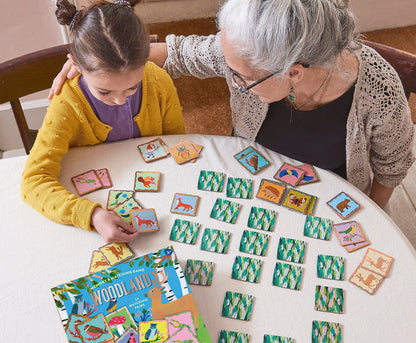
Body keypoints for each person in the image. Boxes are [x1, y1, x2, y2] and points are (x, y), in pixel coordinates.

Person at [50, 0, 414, 208]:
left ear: (293, 74)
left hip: (331, 196)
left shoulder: (379, 90)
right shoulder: (243, 56)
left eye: (240, 76)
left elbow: (392, 167)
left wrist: (373, 213)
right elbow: (179, 54)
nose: (232, 80)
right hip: (253, 179)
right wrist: (97, 61)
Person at [22, 0, 185, 243]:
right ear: (74, 65)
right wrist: (93, 215)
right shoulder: (67, 103)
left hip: (155, 198)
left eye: (132, 87)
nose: (120, 100)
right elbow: (33, 182)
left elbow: (177, 146)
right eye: (105, 92)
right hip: (91, 208)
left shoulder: (159, 81)